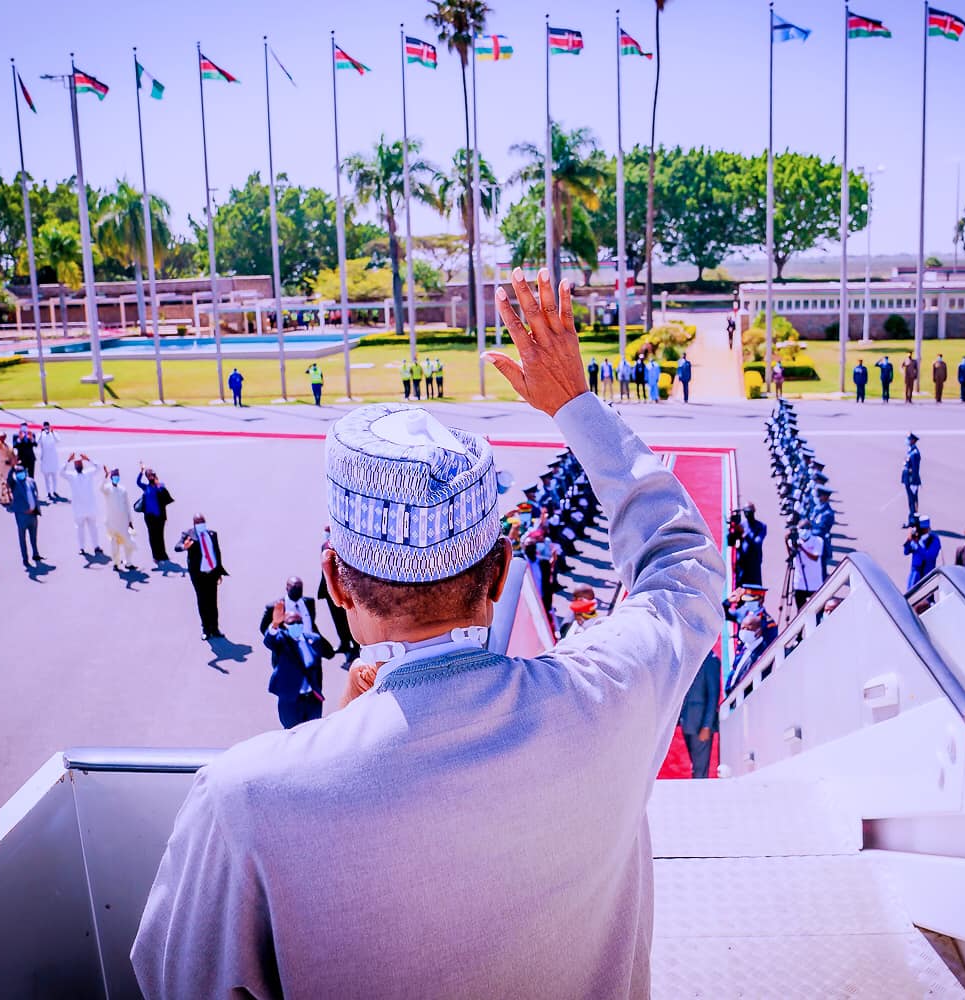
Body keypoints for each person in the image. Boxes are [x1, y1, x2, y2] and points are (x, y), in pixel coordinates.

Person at [132, 266, 725, 999]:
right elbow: (685, 569)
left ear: (336, 581)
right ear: (502, 568)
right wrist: (574, 404)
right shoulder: (606, 698)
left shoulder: (245, 799)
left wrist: (330, 731)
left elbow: (177, 984)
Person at [262, 607, 325, 728]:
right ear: (285, 625)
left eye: (299, 622)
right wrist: (275, 624)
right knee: (291, 733)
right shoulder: (282, 640)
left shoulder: (314, 639)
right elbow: (269, 641)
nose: (296, 625)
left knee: (313, 732)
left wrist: (318, 690)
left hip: (312, 699)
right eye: (292, 622)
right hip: (291, 699)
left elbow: (318, 668)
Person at [177, 514, 227, 639]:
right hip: (199, 575)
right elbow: (177, 547)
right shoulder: (189, 535)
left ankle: (215, 628)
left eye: (202, 521)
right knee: (203, 601)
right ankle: (206, 629)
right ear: (194, 523)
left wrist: (219, 572)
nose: (201, 524)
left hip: (211, 574)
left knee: (213, 602)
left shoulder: (212, 534)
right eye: (198, 522)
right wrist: (184, 546)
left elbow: (217, 552)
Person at [317, 525, 360, 662]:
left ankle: (355, 648)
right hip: (330, 591)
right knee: (338, 621)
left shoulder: (344, 546)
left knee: (348, 620)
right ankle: (344, 643)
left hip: (344, 592)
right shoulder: (325, 545)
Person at [678, 650, 720, 779]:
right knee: (695, 766)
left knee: (700, 769)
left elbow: (713, 696)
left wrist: (707, 726)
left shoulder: (710, 660)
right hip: (687, 721)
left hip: (701, 724)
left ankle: (701, 796)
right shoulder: (690, 657)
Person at [61, 453, 103, 555]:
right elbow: (61, 472)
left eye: (80, 463)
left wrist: (89, 459)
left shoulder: (88, 473)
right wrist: (68, 461)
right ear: (74, 466)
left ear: (83, 465)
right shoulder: (71, 476)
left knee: (93, 528)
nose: (79, 465)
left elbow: (98, 467)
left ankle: (96, 546)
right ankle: (82, 548)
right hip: (78, 508)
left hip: (90, 507)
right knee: (80, 530)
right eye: (77, 464)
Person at [135, 463, 175, 567]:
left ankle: (163, 555)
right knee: (153, 537)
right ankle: (156, 556)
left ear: (154, 475)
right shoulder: (146, 487)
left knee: (160, 536)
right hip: (149, 517)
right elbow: (138, 482)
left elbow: (166, 496)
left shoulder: (160, 486)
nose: (149, 477)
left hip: (159, 517)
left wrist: (158, 485)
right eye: (148, 475)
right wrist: (141, 471)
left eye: (151, 475)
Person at [100, 466, 138, 572]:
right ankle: (116, 563)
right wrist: (105, 477)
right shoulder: (107, 489)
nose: (116, 478)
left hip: (124, 522)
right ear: (111, 477)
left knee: (127, 543)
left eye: (117, 476)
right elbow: (101, 489)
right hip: (112, 523)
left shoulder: (123, 490)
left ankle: (128, 562)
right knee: (114, 543)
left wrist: (130, 521)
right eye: (114, 476)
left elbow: (127, 506)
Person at [7, 463, 43, 567]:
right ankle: (25, 558)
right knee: (22, 539)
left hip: (33, 515)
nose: (20, 474)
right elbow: (9, 479)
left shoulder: (31, 481)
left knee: (33, 537)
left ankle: (35, 554)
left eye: (21, 472)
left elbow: (35, 494)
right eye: (18, 472)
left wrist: (35, 508)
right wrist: (12, 468)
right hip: (22, 516)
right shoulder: (15, 484)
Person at [727, 502, 767, 588]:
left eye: (749, 512)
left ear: (753, 512)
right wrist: (732, 528)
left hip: (754, 565)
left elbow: (757, 542)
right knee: (740, 593)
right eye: (745, 512)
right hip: (742, 564)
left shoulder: (761, 526)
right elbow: (730, 543)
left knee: (754, 592)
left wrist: (744, 534)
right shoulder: (741, 525)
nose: (747, 514)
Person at [790, 524, 826, 611]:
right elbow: (791, 556)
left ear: (811, 529)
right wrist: (787, 542)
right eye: (802, 528)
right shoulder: (794, 541)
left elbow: (815, 557)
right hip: (799, 583)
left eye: (807, 528)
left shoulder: (818, 541)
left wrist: (801, 548)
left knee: (817, 611)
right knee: (801, 610)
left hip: (815, 583)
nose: (804, 530)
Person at [904, 516, 942, 589]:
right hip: (915, 573)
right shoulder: (915, 537)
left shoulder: (934, 540)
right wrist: (908, 540)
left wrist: (917, 546)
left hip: (927, 573)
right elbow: (906, 552)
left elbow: (930, 557)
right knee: (910, 596)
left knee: (926, 598)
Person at [901, 433, 922, 525]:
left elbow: (915, 469)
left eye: (909, 439)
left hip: (911, 481)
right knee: (910, 501)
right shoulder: (910, 451)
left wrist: (914, 482)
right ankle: (912, 520)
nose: (907, 440)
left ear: (913, 440)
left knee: (913, 501)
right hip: (907, 480)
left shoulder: (915, 453)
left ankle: (914, 521)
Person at [37, 422, 61, 499]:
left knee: (54, 476)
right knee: (46, 477)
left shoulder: (53, 433)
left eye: (48, 426)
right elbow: (37, 442)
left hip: (53, 458)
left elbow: (58, 440)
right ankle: (48, 492)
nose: (47, 428)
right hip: (45, 459)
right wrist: (41, 433)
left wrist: (53, 432)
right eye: (45, 426)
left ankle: (54, 490)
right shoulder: (40, 434)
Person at [0, 431, 15, 506]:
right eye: (2, 437)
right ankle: (4, 499)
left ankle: (9, 497)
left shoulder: (7, 445)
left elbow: (11, 454)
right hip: (0, 466)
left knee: (9, 482)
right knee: (2, 483)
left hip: (8, 467)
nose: (3, 438)